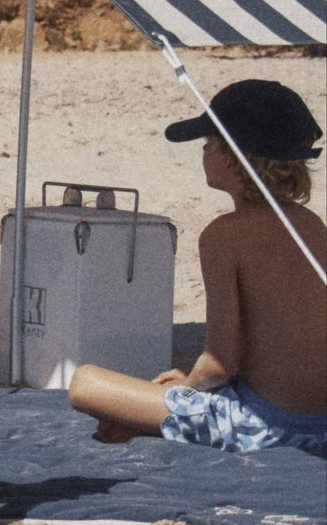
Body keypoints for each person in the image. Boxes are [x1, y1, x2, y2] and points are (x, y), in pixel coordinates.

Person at [69, 79, 326, 455]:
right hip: (319, 425)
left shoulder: (223, 237)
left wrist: (186, 388)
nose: (203, 154)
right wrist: (193, 379)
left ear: (234, 160)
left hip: (266, 426)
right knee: (175, 387)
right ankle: (160, 418)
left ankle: (157, 420)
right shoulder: (311, 224)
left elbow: (220, 362)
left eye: (208, 145)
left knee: (84, 382)